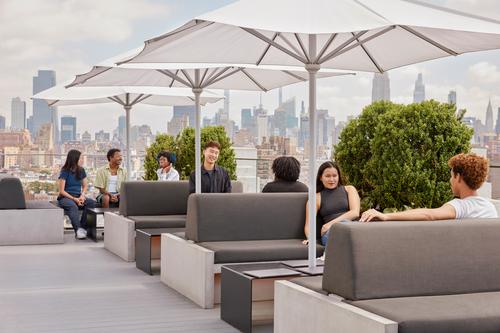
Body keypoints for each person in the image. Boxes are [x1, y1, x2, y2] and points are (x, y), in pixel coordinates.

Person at [360, 153, 498, 222]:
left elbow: (428, 214)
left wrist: (386, 216)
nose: (450, 181)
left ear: (459, 177)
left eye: (451, 176)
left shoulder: (460, 206)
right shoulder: (489, 207)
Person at [304, 161, 360, 247]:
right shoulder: (316, 198)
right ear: (320, 177)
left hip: (351, 228)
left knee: (349, 227)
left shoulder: (349, 189)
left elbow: (355, 212)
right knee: (342, 231)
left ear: (339, 176)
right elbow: (309, 225)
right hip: (331, 233)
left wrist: (330, 224)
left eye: (335, 176)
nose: (332, 179)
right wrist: (309, 238)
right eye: (327, 176)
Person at [57, 149, 96, 239]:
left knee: (91, 203)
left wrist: (82, 196)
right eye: (81, 158)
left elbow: (85, 186)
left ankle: (81, 229)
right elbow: (62, 191)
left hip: (78, 196)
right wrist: (75, 199)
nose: (82, 160)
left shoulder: (81, 170)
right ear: (74, 159)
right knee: (73, 206)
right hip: (65, 198)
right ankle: (78, 230)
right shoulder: (65, 171)